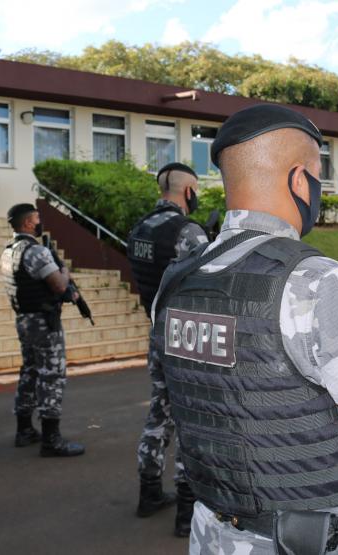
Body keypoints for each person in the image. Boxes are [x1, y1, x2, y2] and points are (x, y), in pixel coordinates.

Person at [150, 104, 338, 555]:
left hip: (210, 535)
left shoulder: (178, 281)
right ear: (299, 180)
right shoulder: (318, 282)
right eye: (318, 176)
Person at [126, 162, 207, 535]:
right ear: (187, 190)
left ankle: (149, 492)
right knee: (191, 418)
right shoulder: (186, 230)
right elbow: (209, 278)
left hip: (156, 329)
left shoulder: (141, 227)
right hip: (186, 336)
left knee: (159, 413)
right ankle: (187, 512)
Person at [1, 204, 84, 458]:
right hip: (43, 321)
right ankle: (51, 438)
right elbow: (59, 286)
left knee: (30, 371)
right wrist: (65, 272)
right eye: (37, 219)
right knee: (52, 375)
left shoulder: (9, 250)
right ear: (27, 223)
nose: (40, 223)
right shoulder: (37, 251)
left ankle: (24, 429)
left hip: (24, 319)